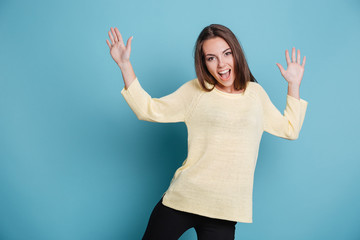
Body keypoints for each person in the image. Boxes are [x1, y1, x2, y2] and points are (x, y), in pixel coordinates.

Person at [106, 24, 308, 240]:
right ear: (203, 63)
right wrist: (125, 65)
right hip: (183, 199)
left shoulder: (255, 95)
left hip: (224, 209)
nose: (221, 64)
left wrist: (293, 85)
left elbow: (290, 129)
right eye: (211, 58)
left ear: (236, 54)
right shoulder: (196, 92)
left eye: (226, 54)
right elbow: (148, 109)